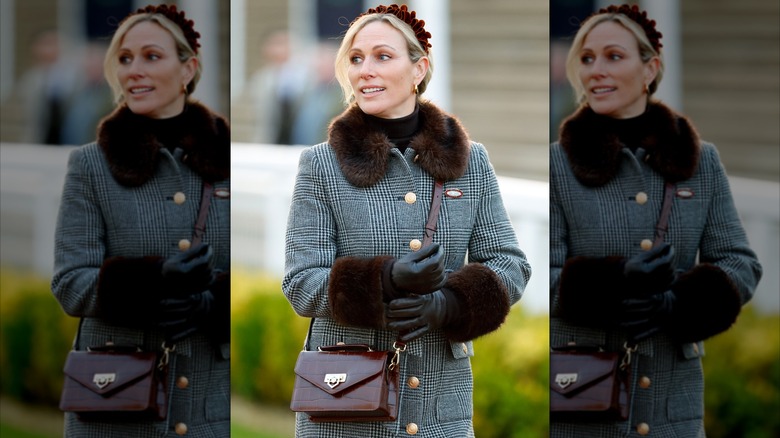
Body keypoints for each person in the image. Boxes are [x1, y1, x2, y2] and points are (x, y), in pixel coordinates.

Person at [282, 4, 531, 437]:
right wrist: (384, 280)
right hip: (346, 404)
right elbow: (301, 282)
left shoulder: (472, 163)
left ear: (419, 69)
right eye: (356, 59)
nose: (365, 71)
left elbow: (510, 264)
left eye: (382, 56)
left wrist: (448, 306)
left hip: (442, 410)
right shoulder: (320, 166)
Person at [549, 4, 762, 437]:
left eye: (613, 56)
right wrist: (615, 283)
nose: (596, 71)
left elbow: (740, 263)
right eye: (587, 59)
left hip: (674, 410)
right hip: (585, 404)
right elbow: (541, 276)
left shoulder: (702, 161)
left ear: (650, 69)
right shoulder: (557, 165)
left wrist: (678, 305)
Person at [50, 4, 230, 437]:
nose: (134, 70)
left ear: (188, 69)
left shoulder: (228, 162)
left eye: (151, 56)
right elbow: (70, 283)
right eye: (125, 58)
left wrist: (213, 305)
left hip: (210, 407)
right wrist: (152, 280)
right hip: (114, 405)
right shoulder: (90, 166)